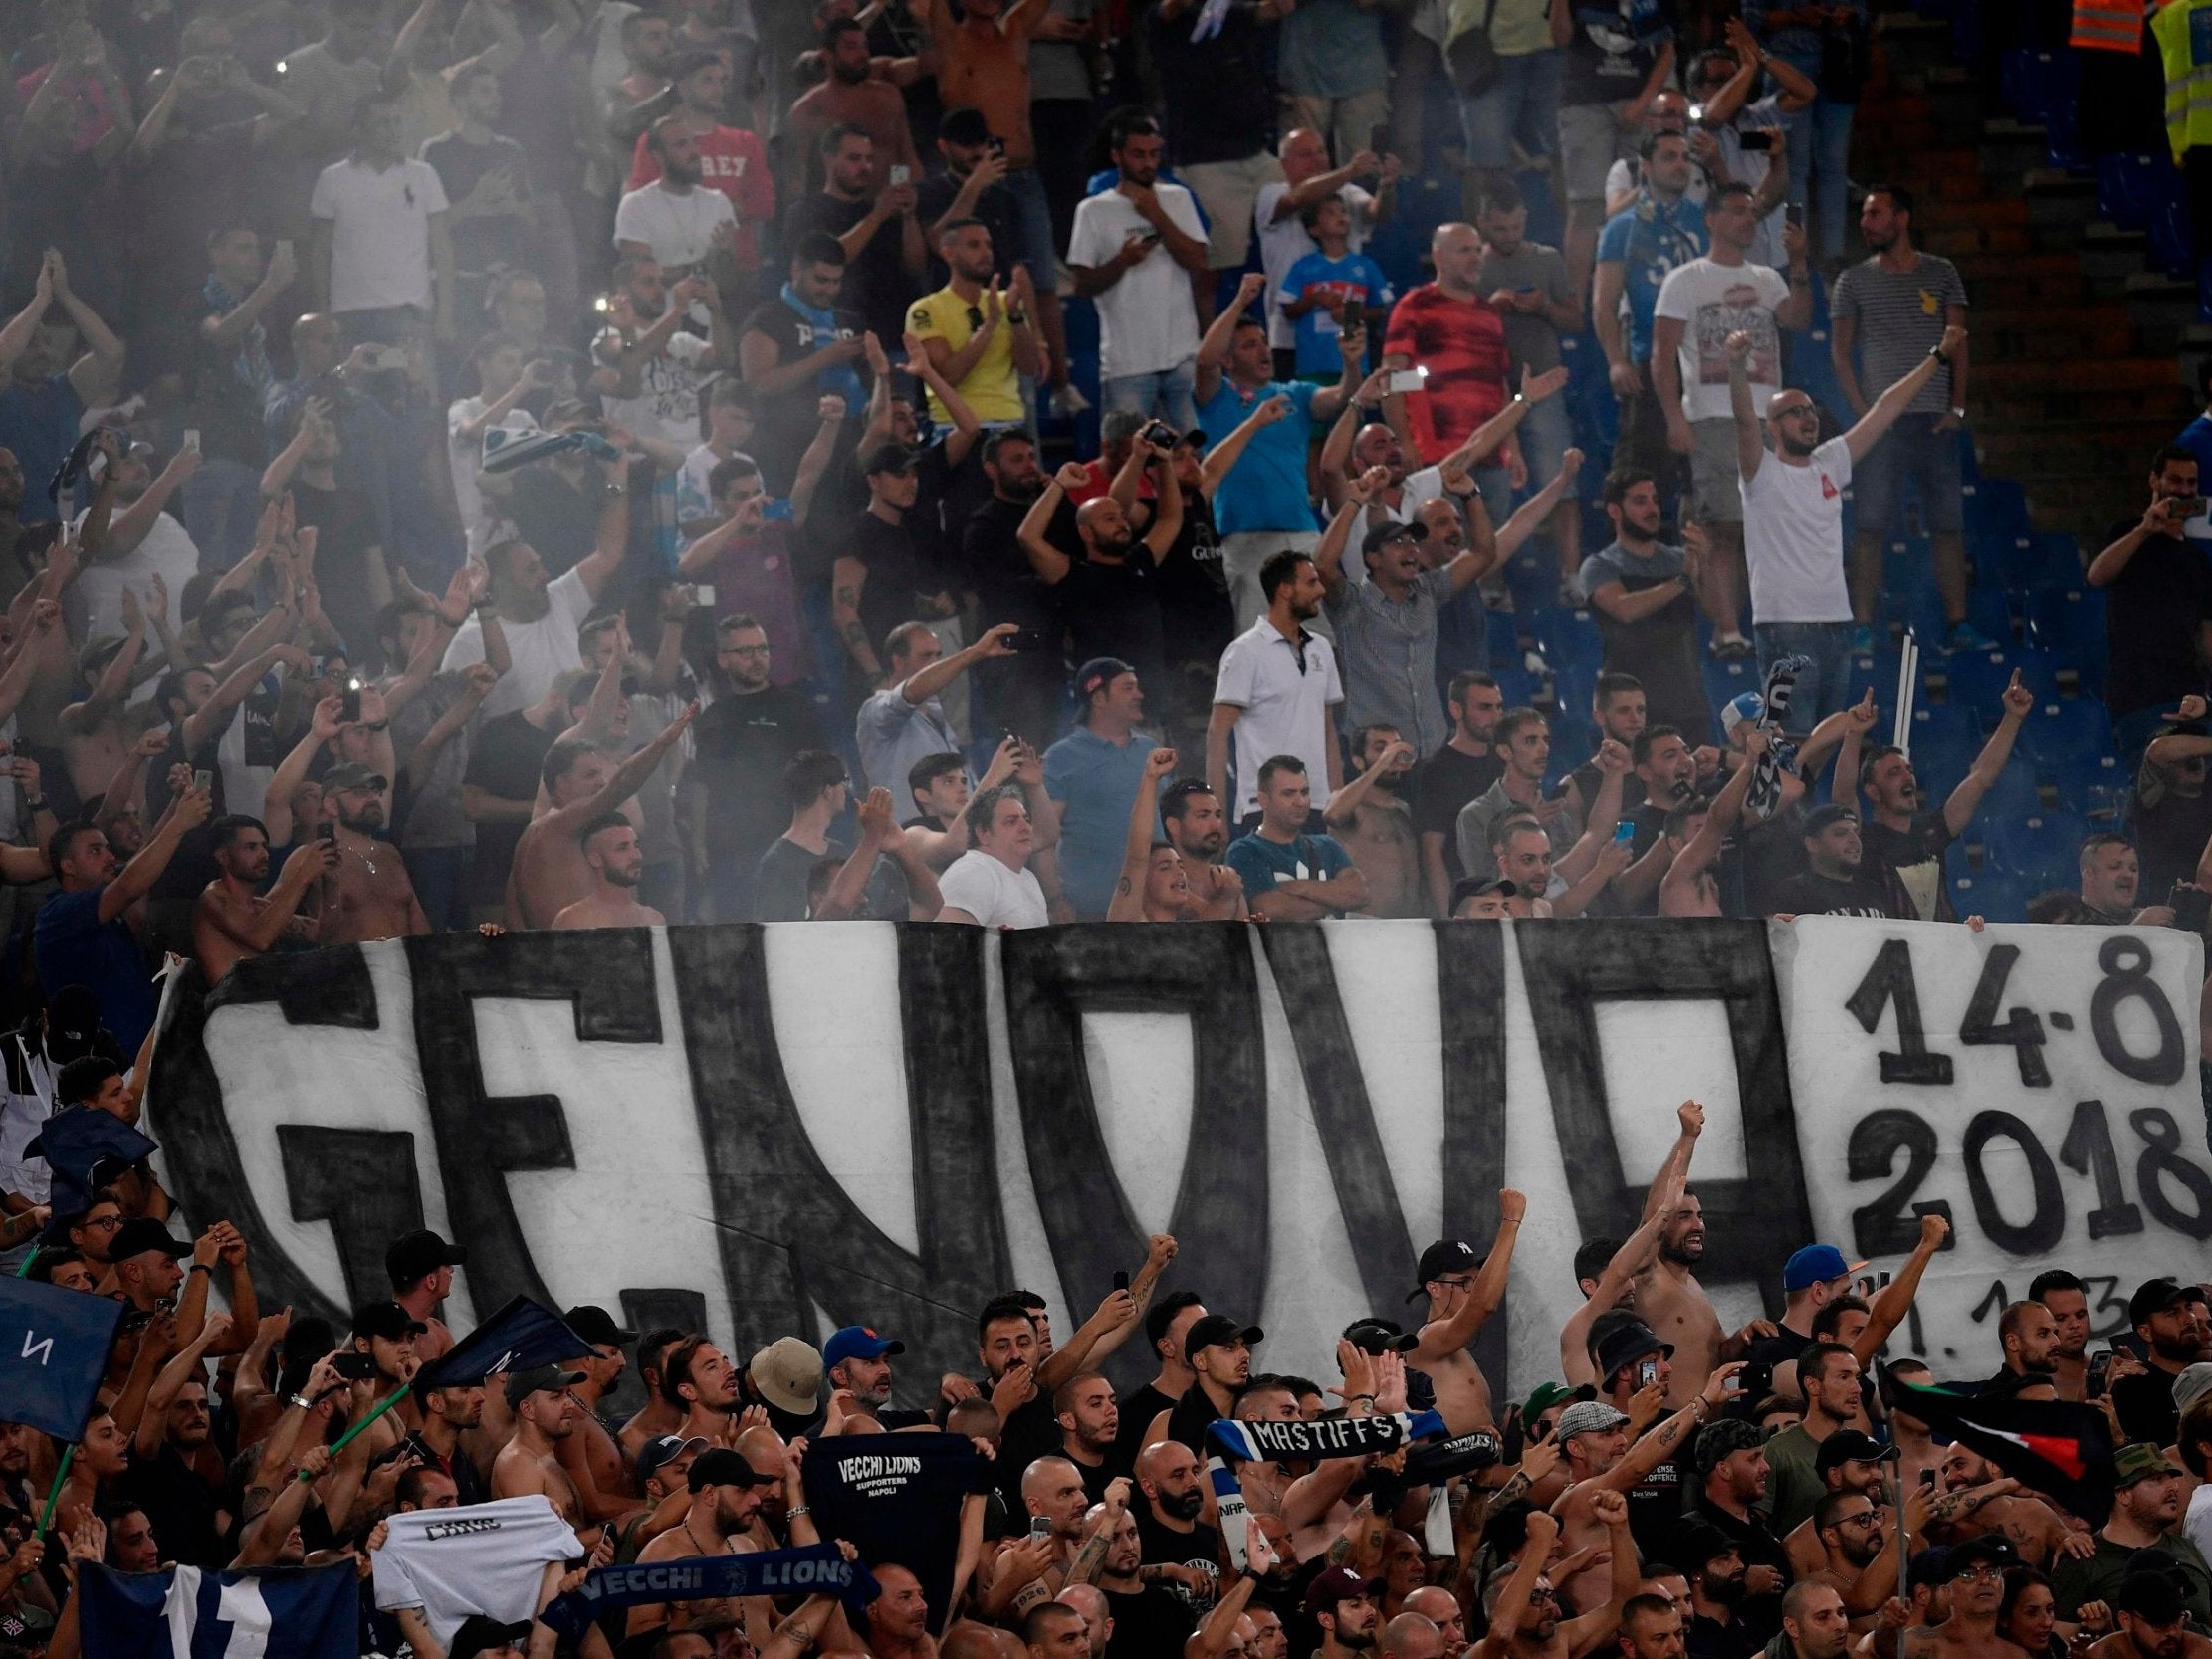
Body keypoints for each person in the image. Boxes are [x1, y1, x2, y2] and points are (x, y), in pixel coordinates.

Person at [1728, 322, 1969, 732]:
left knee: (1827, 739)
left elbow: (1886, 408)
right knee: (1794, 740)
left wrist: (1939, 356)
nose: (1808, 418)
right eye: (1795, 412)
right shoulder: (1761, 471)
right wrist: (1737, 367)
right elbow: (1742, 421)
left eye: (1811, 411)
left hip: (1837, 623)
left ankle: (1812, 798)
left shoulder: (1830, 462)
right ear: (1773, 427)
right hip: (1784, 625)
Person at [1652, 182, 1812, 647]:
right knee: (1723, 525)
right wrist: (1674, 418)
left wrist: (1798, 264)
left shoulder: (1768, 278)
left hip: (1769, 417)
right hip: (1713, 415)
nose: (1747, 219)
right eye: (1737, 211)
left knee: (1771, 527)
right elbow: (1662, 355)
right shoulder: (1685, 279)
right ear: (1712, 219)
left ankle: (1771, 627)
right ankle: (1728, 630)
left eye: (1751, 212)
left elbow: (1799, 319)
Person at [1829, 185, 1983, 654]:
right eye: (1862, 214)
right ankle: (1861, 624)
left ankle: (1959, 624)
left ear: (1903, 217)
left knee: (1948, 526)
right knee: (1869, 526)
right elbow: (1839, 353)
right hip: (1882, 426)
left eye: (1875, 213)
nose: (1865, 222)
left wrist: (1956, 409)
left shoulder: (1941, 272)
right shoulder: (1852, 280)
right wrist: (1863, 413)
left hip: (1934, 421)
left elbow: (1958, 339)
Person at [1198, 278, 1359, 627]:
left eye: (1264, 343)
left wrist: (1350, 365)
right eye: (1249, 346)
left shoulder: (1293, 394)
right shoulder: (1217, 398)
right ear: (1229, 359)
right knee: (1258, 644)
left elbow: (1339, 398)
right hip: (1244, 536)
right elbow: (1204, 361)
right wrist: (1241, 299)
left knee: (1321, 642)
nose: (1263, 351)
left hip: (1302, 534)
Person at [1837, 674, 2032, 922]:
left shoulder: (1931, 830)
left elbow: (1981, 778)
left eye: (1909, 770)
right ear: (1872, 791)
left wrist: (2013, 717)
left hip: (1944, 948)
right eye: (1894, 773)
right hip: (1894, 953)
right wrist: (1853, 735)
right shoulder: (1863, 840)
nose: (1908, 777)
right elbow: (1843, 796)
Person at [507, 710, 696, 931]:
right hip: (576, 956)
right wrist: (661, 744)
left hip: (550, 955)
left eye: (601, 774)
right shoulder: (559, 825)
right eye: (590, 775)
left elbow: (512, 918)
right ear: (562, 784)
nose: (601, 782)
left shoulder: (529, 837)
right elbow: (621, 785)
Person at [1594, 132, 1708, 486]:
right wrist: (1615, 360)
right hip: (1648, 356)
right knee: (1640, 476)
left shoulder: (1705, 221)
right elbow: (1604, 300)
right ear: (1645, 167)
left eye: (1684, 158)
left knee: (1701, 478)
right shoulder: (1621, 228)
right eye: (1669, 157)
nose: (1680, 165)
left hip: (1701, 363)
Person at [2090, 449, 2212, 775]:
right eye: (2175, 479)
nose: (2184, 490)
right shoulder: (2127, 535)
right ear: (2154, 480)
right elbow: (2097, 575)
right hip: (2139, 697)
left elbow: (2207, 639)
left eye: (2191, 482)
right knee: (2152, 793)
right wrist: (2145, 530)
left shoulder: (2197, 560)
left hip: (2189, 697)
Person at [307, 95, 455, 349]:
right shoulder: (332, 179)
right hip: (350, 311)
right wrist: (322, 312)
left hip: (411, 310)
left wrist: (446, 314)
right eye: (383, 123)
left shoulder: (424, 175)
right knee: (354, 388)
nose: (393, 130)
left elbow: (442, 247)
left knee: (414, 387)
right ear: (361, 129)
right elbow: (319, 252)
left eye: (398, 121)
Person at [1583, 471, 1716, 741]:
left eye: (1654, 500)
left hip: (1686, 703)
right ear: (1614, 510)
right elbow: (1625, 609)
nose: (1652, 508)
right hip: (1630, 708)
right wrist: (1683, 581)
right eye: (1640, 501)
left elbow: (1715, 613)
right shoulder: (1600, 565)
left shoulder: (1680, 559)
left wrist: (1709, 563)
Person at [785, 123, 926, 353]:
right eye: (854, 158)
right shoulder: (806, 210)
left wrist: (909, 217)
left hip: (893, 336)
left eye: (869, 159)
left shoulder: (883, 209)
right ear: (829, 159)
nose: (865, 167)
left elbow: (916, 266)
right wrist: (877, 215)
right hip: (838, 338)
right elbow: (830, 258)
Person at [1224, 755, 1372, 921]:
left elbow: (1360, 893)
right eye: (1288, 794)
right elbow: (1270, 908)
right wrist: (1336, 900)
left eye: (1304, 792)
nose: (1300, 801)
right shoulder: (1245, 851)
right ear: (1264, 800)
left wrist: (1300, 887)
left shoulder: (1327, 845)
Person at [191, 814, 336, 980]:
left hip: (270, 997)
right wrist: (302, 875)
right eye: (251, 847)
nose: (264, 855)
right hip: (233, 1001)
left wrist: (331, 883)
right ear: (223, 856)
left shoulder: (259, 907)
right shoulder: (213, 898)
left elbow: (325, 935)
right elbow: (260, 939)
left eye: (264, 846)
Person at [939, 782, 1049, 928]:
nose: (1026, 828)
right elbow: (949, 941)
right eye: (1012, 821)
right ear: (983, 833)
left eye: (1026, 819)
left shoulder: (1028, 877)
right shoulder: (973, 871)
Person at [550, 815, 665, 930]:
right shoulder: (573, 920)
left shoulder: (654, 918)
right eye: (622, 848)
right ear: (595, 860)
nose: (637, 856)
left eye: (636, 845)